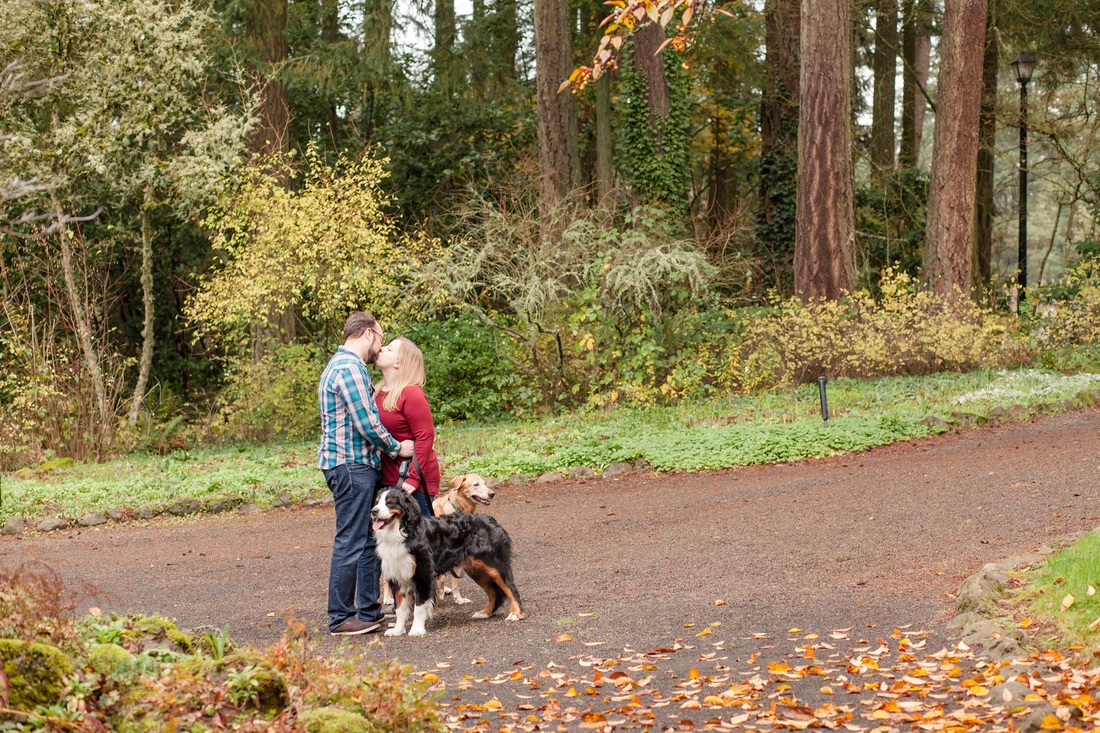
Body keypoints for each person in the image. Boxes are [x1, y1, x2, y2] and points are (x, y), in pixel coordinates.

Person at [318, 312, 414, 636]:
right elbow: (367, 423)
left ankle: (367, 611)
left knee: (364, 539)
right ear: (368, 333)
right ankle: (341, 618)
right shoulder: (348, 368)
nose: (380, 347)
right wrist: (396, 448)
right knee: (351, 540)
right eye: (380, 338)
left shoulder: (347, 366)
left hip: (353, 464)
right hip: (350, 465)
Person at [375, 337, 440, 517]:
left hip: (413, 482)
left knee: (419, 540)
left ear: (398, 362)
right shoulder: (377, 391)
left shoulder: (411, 393)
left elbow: (425, 436)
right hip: (388, 477)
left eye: (389, 349)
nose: (382, 348)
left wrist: (413, 477)